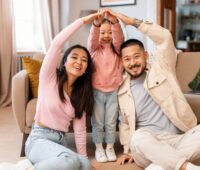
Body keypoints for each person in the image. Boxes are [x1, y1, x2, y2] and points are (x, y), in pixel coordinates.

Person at [108, 11, 200, 170]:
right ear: (122, 62)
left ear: (145, 55)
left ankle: (159, 166)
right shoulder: (121, 89)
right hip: (147, 144)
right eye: (127, 59)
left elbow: (164, 38)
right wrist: (128, 150)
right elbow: (124, 124)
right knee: (138, 136)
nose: (132, 63)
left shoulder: (162, 68)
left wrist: (133, 21)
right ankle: (186, 167)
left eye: (136, 57)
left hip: (179, 138)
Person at [25, 12, 102, 170]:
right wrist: (83, 21)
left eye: (84, 60)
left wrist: (85, 161)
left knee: (84, 165)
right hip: (39, 139)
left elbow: (80, 132)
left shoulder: (80, 94)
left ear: (86, 68)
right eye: (74, 57)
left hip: (60, 141)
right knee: (70, 161)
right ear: (64, 61)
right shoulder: (49, 78)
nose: (79, 62)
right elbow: (56, 44)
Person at [87, 9, 124, 163]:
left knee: (110, 122)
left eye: (109, 33)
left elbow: (119, 38)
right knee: (98, 123)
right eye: (103, 33)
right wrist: (96, 23)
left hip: (113, 92)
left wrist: (114, 22)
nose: (106, 36)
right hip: (96, 91)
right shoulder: (93, 50)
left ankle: (109, 147)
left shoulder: (118, 50)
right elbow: (92, 39)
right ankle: (99, 148)